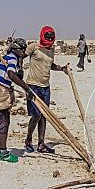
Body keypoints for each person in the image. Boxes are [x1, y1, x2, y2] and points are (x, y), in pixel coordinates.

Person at [0, 38, 34, 162]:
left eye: (24, 49)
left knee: (4, 120)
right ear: (14, 49)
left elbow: (16, 73)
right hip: (1, 92)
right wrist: (27, 88)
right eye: (21, 49)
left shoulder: (10, 57)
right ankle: (3, 152)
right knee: (2, 122)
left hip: (2, 91)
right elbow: (11, 75)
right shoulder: (11, 58)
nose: (23, 51)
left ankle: (2, 150)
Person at [23, 26, 67, 154]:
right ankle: (28, 139)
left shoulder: (51, 49)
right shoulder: (34, 47)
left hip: (45, 87)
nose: (48, 40)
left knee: (44, 115)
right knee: (36, 115)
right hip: (33, 85)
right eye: (46, 37)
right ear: (42, 36)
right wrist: (18, 70)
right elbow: (21, 57)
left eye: (51, 38)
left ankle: (41, 143)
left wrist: (61, 68)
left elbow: (50, 64)